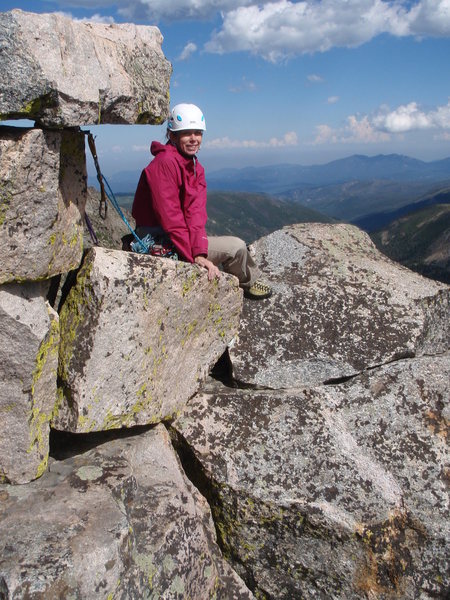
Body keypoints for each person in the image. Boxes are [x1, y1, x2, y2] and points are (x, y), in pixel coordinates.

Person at [132, 103, 272, 300]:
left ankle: (240, 282)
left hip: (177, 237)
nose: (194, 139)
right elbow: (170, 217)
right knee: (237, 247)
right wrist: (194, 257)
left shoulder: (195, 167)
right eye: (186, 133)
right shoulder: (164, 164)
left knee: (236, 248)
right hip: (159, 239)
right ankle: (245, 284)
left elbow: (195, 214)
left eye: (198, 133)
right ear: (172, 136)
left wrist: (199, 251)